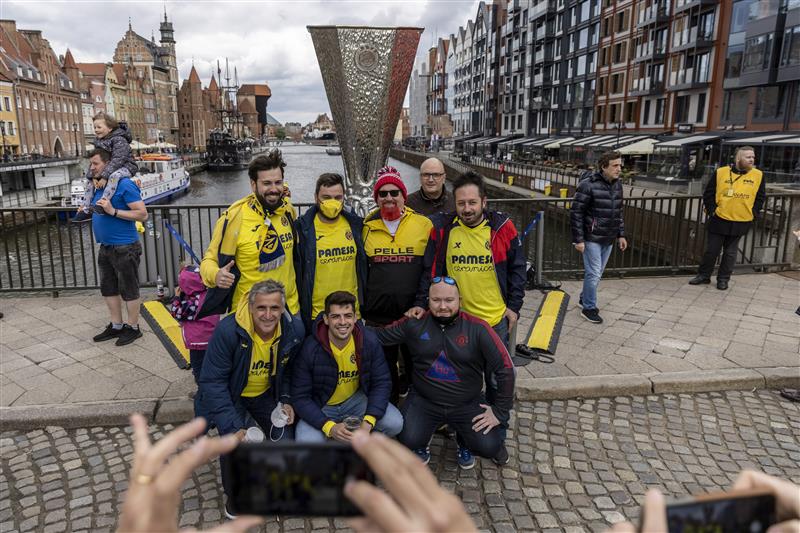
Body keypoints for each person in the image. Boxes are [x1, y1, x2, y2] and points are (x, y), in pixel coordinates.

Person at [377, 277, 514, 468]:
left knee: (489, 446)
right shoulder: (414, 323)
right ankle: (421, 443)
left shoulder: (478, 328)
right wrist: (342, 327)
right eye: (436, 300)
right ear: (428, 300)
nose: (443, 306)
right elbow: (378, 336)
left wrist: (499, 411)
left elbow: (505, 368)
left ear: (460, 300)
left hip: (467, 403)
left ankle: (463, 441)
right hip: (425, 401)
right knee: (407, 438)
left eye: (449, 300)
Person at [196, 280, 304, 517]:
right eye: (261, 308)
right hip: (233, 396)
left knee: (285, 440)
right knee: (236, 442)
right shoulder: (228, 330)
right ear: (251, 306)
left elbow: (291, 370)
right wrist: (233, 426)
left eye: (274, 308)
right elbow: (212, 382)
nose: (268, 315)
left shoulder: (293, 329)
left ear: (283, 308)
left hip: (266, 396)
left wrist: (286, 398)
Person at [410, 170, 526, 347]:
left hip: (495, 320)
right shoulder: (443, 230)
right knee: (461, 374)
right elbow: (430, 270)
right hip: (457, 321)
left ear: (484, 202)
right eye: (461, 203)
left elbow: (517, 269)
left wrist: (514, 308)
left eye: (472, 202)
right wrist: (421, 302)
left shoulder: (502, 228)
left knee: (497, 374)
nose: (467, 209)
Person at [199, 150, 301, 334]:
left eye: (278, 182)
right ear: (253, 185)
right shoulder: (233, 218)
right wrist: (216, 275)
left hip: (290, 310)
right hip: (250, 314)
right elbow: (208, 261)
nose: (274, 188)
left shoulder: (287, 211)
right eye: (267, 183)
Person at [292, 291, 403, 442]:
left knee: (395, 423)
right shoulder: (310, 348)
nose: (343, 322)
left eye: (348, 315)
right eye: (336, 316)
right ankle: (334, 443)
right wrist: (329, 427)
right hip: (322, 404)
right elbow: (300, 397)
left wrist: (367, 423)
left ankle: (364, 445)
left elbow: (381, 382)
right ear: (326, 319)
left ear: (356, 317)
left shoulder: (368, 341)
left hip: (355, 400)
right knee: (307, 441)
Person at [362, 166, 433, 401]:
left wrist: (423, 302)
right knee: (384, 372)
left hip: (413, 314)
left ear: (404, 195)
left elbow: (429, 270)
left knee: (417, 367)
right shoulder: (367, 226)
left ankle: (418, 414)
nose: (389, 198)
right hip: (377, 317)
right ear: (377, 198)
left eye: (394, 192)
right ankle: (388, 413)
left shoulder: (423, 225)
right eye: (383, 194)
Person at [86, 148, 149, 347]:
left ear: (108, 164)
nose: (92, 167)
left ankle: (133, 328)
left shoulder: (124, 185)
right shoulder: (99, 186)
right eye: (91, 164)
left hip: (125, 246)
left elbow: (142, 214)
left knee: (129, 289)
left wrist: (113, 211)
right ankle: (117, 325)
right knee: (109, 288)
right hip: (105, 246)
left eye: (95, 164)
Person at [295, 173, 367, 332]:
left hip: (351, 313)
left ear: (344, 198)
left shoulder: (355, 225)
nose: (332, 203)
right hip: (318, 315)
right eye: (326, 197)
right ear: (316, 198)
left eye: (337, 197)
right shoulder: (302, 229)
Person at [689, 146, 765, 291]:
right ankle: (703, 276)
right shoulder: (721, 172)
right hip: (719, 219)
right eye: (748, 157)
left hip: (742, 220)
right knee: (712, 250)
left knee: (730, 253)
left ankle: (723, 279)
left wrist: (753, 212)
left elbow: (760, 197)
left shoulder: (758, 175)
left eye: (753, 157)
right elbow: (709, 194)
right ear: (738, 158)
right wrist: (713, 211)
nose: (751, 160)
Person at [569, 150, 628, 324]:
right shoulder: (588, 185)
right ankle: (589, 308)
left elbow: (618, 212)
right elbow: (576, 212)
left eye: (620, 165)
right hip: (591, 237)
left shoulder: (618, 185)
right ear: (604, 167)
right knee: (594, 273)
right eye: (615, 165)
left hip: (608, 237)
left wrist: (621, 235)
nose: (619, 169)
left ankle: (583, 298)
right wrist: (578, 239)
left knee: (597, 273)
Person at [74, 113, 140, 223]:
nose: (96, 130)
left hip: (126, 166)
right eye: (94, 127)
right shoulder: (99, 141)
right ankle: (85, 209)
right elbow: (96, 161)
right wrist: (92, 177)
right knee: (89, 182)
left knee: (114, 176)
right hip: (111, 168)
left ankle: (102, 203)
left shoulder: (119, 139)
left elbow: (118, 159)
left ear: (110, 128)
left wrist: (104, 177)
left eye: (99, 127)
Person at [170, 264, 220, 384]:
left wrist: (176, 297)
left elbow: (176, 312)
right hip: (212, 338)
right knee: (211, 365)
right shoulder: (209, 295)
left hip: (198, 342)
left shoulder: (193, 303)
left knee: (198, 368)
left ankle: (202, 392)